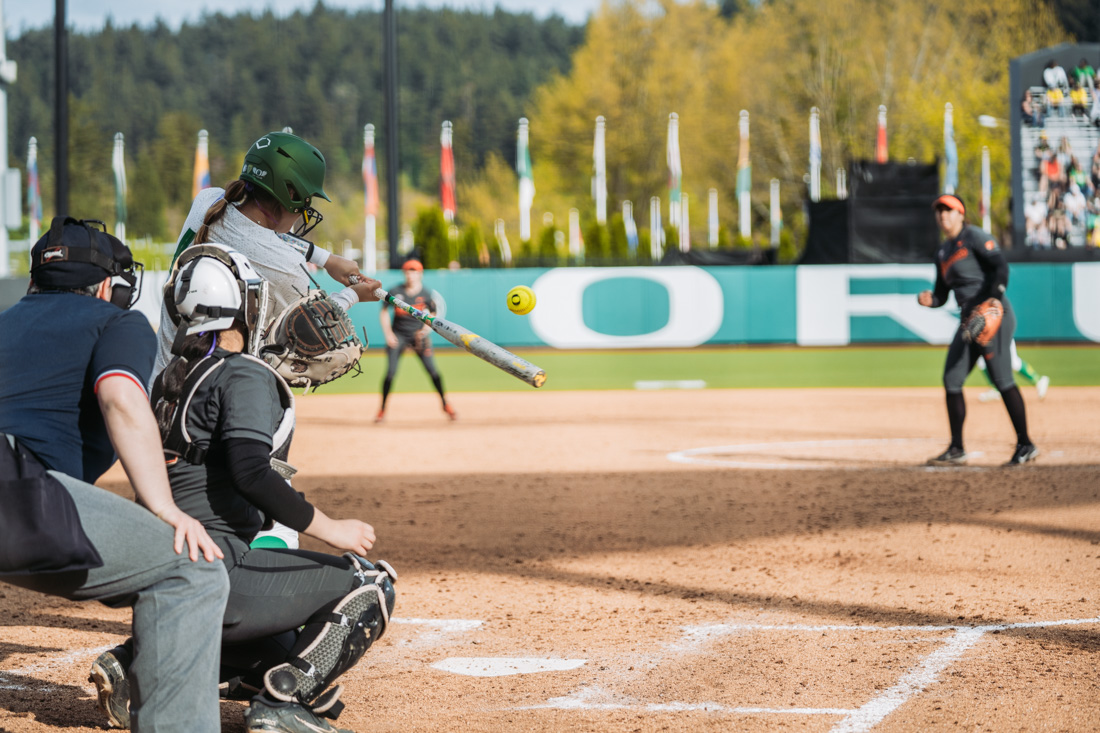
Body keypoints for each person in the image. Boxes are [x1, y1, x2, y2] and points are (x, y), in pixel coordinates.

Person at [93, 245, 397, 733]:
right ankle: (280, 706)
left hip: (159, 573)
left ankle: (134, 664)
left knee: (285, 650)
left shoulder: (171, 378)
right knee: (370, 583)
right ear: (246, 306)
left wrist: (345, 298)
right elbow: (251, 472)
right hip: (212, 572)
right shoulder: (244, 375)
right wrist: (330, 529)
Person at [0, 217, 229, 732]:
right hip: (17, 492)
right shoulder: (116, 322)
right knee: (190, 570)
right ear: (109, 285)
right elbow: (121, 398)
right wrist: (164, 509)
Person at [155, 130, 382, 378]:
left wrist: (327, 259)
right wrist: (352, 295)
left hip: (161, 383)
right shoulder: (287, 268)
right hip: (223, 402)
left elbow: (264, 235)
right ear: (291, 194)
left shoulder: (207, 202)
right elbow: (310, 326)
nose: (307, 208)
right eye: (306, 200)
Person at [918, 194, 1039, 467]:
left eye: (948, 210)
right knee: (952, 378)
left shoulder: (974, 236)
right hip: (968, 321)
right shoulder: (942, 253)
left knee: (1002, 378)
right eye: (939, 211)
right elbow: (941, 294)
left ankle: (1026, 443)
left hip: (993, 313)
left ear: (961, 213)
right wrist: (931, 300)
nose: (943, 215)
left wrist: (994, 297)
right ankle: (957, 448)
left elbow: (1000, 267)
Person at [375, 259, 457, 422]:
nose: (410, 275)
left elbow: (433, 316)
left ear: (420, 274)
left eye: (414, 272)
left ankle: (445, 404)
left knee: (433, 372)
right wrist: (388, 334)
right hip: (398, 335)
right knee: (390, 374)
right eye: (408, 272)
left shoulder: (426, 294)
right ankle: (382, 410)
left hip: (418, 336)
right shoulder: (395, 291)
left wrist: (425, 330)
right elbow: (384, 312)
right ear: (404, 274)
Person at [976, 340, 1051, 403]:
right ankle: (995, 389)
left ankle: (1038, 380)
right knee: (981, 361)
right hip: (987, 338)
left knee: (1014, 363)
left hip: (1002, 335)